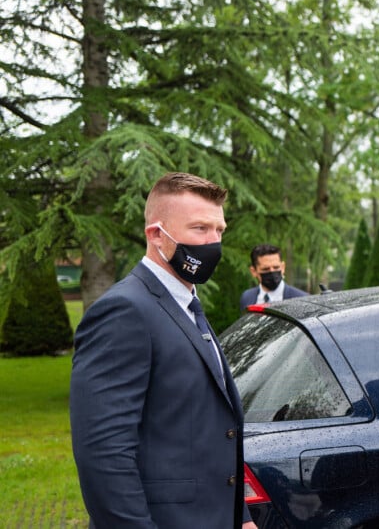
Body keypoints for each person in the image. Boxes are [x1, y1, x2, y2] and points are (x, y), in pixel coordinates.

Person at [70, 172, 258, 529]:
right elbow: (104, 455)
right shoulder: (124, 311)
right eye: (200, 229)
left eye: (219, 230)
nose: (213, 242)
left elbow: (203, 429)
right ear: (157, 235)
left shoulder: (187, 306)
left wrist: (241, 516)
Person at [239, 243, 308, 311]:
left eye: (276, 267)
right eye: (265, 269)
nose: (272, 272)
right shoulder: (247, 297)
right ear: (253, 271)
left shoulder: (302, 299)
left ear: (283, 267)